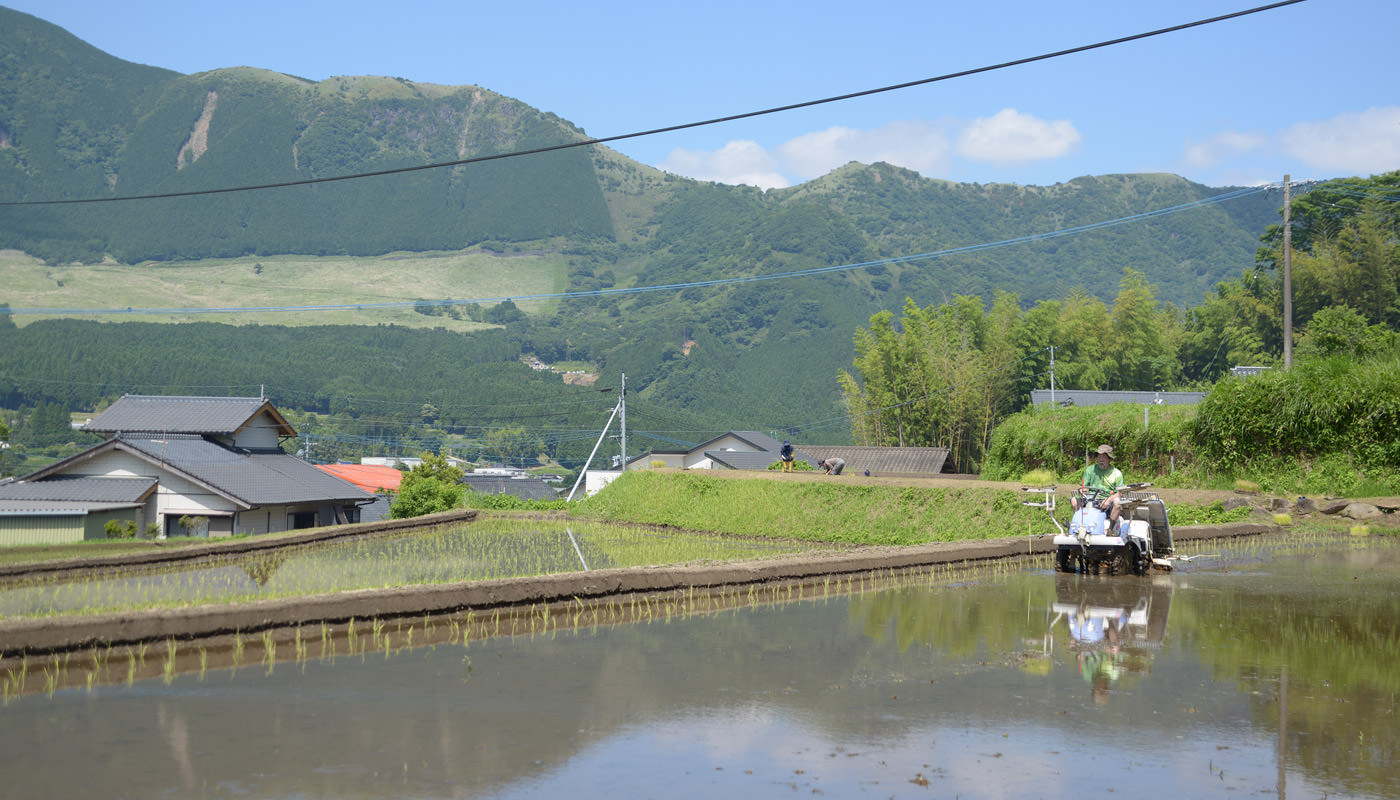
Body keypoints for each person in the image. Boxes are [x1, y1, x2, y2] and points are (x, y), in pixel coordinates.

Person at [1072, 444, 1125, 525]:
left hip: (1107, 500)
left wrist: (1109, 500)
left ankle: (1111, 529)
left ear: (1109, 459)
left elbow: (1120, 493)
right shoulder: (1089, 470)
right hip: (1090, 498)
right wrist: (1083, 491)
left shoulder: (1117, 473)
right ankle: (1079, 524)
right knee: (1074, 499)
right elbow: (1083, 487)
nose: (1101, 460)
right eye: (1099, 457)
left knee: (1117, 502)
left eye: (1103, 457)